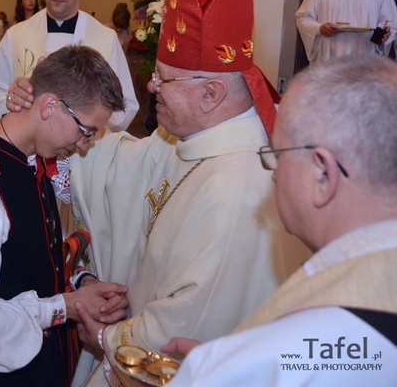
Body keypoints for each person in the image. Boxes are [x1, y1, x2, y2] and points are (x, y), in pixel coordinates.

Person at [66, 0, 308, 386]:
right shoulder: (190, 142)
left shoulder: (237, 186)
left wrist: (107, 339)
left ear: (211, 94)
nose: (151, 85)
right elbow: (121, 163)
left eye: (165, 79)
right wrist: (49, 124)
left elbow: (184, 324)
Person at [153, 56, 397, 386]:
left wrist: (220, 371)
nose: (274, 177)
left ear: (322, 173)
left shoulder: (295, 355)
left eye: (277, 155)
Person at [0, 46, 130, 387]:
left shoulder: (31, 161)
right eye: (87, 130)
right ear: (50, 106)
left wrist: (82, 284)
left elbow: (31, 257)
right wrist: (65, 306)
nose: (83, 145)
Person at [0, 0, 139, 132]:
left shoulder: (105, 38)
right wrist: (12, 100)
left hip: (84, 152)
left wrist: (82, 127)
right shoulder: (16, 36)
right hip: (28, 151)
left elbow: (124, 104)